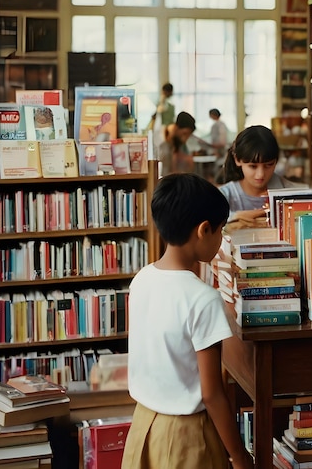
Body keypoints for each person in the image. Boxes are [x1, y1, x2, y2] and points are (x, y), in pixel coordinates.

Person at [121, 173, 253, 469]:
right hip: (186, 437)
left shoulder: (141, 279)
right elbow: (212, 394)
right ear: (204, 230)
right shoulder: (203, 298)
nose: (220, 241)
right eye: (220, 231)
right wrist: (241, 457)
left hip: (142, 426)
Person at [218, 125, 298, 223]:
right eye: (253, 166)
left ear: (276, 161)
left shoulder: (291, 192)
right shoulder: (224, 196)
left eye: (268, 165)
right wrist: (236, 216)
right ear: (237, 160)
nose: (260, 175)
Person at [158, 111, 196, 177]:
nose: (185, 138)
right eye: (184, 133)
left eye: (188, 135)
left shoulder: (177, 145)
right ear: (176, 127)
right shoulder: (162, 142)